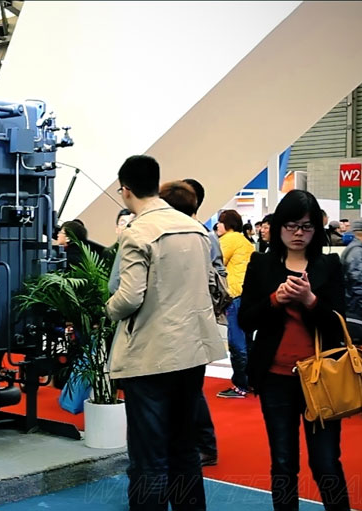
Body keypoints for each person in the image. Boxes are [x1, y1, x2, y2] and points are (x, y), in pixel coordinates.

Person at [107, 155, 222, 510]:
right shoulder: (196, 229)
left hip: (151, 354)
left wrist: (108, 309)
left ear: (126, 190)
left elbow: (129, 296)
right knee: (184, 449)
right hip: (192, 351)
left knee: (149, 456)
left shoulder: (137, 231)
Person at [238, 189, 350, 511]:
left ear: (317, 228)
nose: (298, 233)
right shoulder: (261, 264)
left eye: (306, 226)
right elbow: (246, 320)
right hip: (276, 377)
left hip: (322, 377)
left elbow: (339, 326)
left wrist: (310, 301)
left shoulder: (328, 265)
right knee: (283, 463)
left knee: (326, 462)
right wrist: (276, 300)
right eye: (291, 225)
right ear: (278, 227)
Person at [159, 180, 222, 467]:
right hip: (188, 320)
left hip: (188, 322)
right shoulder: (200, 234)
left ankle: (205, 446)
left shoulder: (200, 236)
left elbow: (210, 278)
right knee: (186, 390)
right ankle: (196, 445)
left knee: (190, 391)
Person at [217, 209, 254, 398]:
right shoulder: (245, 241)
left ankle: (241, 385)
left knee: (236, 342)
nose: (217, 225)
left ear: (228, 224)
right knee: (247, 340)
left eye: (220, 222)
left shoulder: (229, 240)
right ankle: (251, 381)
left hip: (234, 294)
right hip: (247, 295)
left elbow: (217, 262)